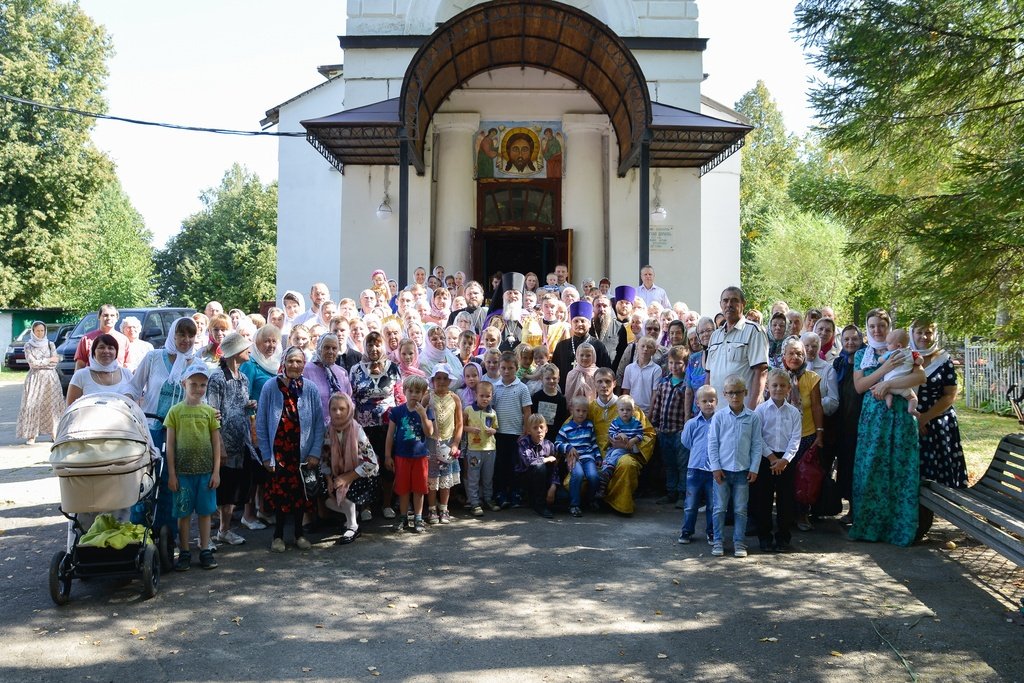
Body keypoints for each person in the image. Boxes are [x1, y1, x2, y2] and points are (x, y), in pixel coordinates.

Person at [849, 308, 925, 547]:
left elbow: (919, 378)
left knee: (900, 469)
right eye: (871, 326)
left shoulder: (905, 351)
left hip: (901, 417)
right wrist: (882, 371)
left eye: (881, 326)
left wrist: (888, 384)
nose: (876, 330)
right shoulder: (863, 354)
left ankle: (898, 529)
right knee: (872, 467)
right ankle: (869, 527)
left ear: (889, 328)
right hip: (873, 420)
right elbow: (860, 386)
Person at [257, 346, 326, 552]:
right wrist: (266, 456)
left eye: (299, 362)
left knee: (300, 495)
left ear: (304, 364)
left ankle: (298, 534)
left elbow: (318, 425)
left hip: (302, 453)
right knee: (280, 495)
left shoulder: (310, 388)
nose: (294, 365)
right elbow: (261, 424)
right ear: (284, 362)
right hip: (279, 452)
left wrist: (315, 452)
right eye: (291, 361)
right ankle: (277, 536)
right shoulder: (270, 386)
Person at [165, 364, 222, 571]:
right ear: (184, 383)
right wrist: (172, 473)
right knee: (183, 513)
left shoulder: (209, 413)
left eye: (203, 385)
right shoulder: (175, 412)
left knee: (206, 512)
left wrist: (216, 472)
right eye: (193, 384)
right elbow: (170, 445)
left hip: (206, 472)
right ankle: (185, 552)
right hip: (182, 473)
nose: (198, 388)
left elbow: (216, 443)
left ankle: (205, 549)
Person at [206, 332, 255, 547]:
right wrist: (220, 446)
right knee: (220, 490)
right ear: (235, 352)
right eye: (246, 348)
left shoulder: (242, 377)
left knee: (234, 489)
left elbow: (237, 405)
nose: (250, 351)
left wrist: (248, 405)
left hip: (240, 442)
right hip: (224, 442)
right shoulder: (217, 378)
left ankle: (225, 530)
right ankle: (211, 534)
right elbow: (213, 412)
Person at [350, 331, 405, 519]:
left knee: (387, 463)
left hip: (388, 425)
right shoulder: (356, 369)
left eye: (377, 344)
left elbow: (399, 397)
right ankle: (365, 506)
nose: (374, 349)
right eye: (370, 345)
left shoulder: (393, 368)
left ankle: (387, 504)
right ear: (365, 347)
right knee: (366, 463)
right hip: (364, 426)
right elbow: (352, 398)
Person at [707, 374, 762, 558]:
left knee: (740, 509)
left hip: (743, 471)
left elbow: (756, 445)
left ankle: (739, 542)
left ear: (745, 392)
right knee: (720, 508)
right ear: (724, 394)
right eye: (730, 393)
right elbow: (713, 443)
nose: (735, 396)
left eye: (738, 392)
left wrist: (754, 467)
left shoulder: (753, 417)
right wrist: (715, 467)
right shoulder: (719, 417)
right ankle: (718, 541)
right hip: (722, 471)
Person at [588, 368, 655, 515]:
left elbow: (649, 433)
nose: (604, 385)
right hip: (594, 453)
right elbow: (572, 428)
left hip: (625, 453)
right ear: (594, 384)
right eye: (599, 381)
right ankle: (590, 501)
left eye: (607, 381)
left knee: (627, 464)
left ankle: (620, 504)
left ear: (614, 383)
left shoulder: (628, 406)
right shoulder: (588, 408)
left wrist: (631, 445)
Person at [911, 319, 968, 489]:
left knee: (938, 478)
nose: (924, 336)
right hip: (910, 420)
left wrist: (925, 418)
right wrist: (914, 418)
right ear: (912, 334)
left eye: (928, 332)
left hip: (938, 424)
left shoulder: (943, 359)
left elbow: (950, 394)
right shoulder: (905, 357)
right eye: (919, 332)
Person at [753, 368, 803, 552]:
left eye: (782, 386)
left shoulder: (794, 413)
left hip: (786, 461)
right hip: (766, 459)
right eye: (774, 385)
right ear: (767, 387)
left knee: (786, 500)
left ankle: (783, 537)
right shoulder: (761, 410)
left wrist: (785, 460)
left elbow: (796, 438)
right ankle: (764, 537)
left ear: (789, 388)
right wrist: (772, 457)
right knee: (763, 499)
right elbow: (757, 437)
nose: (778, 389)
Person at [779, 337, 826, 531]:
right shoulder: (777, 376)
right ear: (784, 356)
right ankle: (785, 515)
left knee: (803, 477)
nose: (795, 357)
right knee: (785, 478)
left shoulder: (811, 378)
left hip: (805, 434)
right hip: (781, 435)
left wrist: (819, 433)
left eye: (799, 353)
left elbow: (816, 406)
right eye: (791, 353)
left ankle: (802, 515)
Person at [322, 393, 379, 545]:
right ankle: (352, 514)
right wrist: (328, 479)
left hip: (359, 474)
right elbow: (325, 457)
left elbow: (372, 462)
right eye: (334, 409)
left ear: (349, 410)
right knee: (325, 497)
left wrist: (347, 477)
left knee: (345, 490)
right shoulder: (328, 430)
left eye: (342, 409)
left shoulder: (357, 430)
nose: (338, 413)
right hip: (337, 473)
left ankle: (353, 525)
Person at [385, 375, 434, 533]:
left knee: (419, 489)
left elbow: (429, 432)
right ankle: (403, 517)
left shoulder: (426, 411)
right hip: (401, 456)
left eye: (417, 391)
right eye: (410, 391)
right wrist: (387, 455)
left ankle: (418, 518)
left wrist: (423, 415)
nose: (414, 394)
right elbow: (390, 435)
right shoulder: (397, 411)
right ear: (404, 391)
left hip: (420, 457)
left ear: (423, 393)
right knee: (403, 489)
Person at [705, 287, 768, 411]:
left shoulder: (754, 331)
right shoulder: (715, 336)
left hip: (743, 411)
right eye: (725, 301)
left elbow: (761, 371)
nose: (729, 304)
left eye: (734, 300)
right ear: (721, 304)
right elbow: (709, 374)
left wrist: (751, 410)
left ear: (743, 304)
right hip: (718, 412)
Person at [831, 325, 864, 524]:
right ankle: (849, 508)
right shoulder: (839, 363)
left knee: (858, 465)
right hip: (842, 421)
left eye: (854, 339)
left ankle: (857, 510)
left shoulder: (867, 361)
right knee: (845, 465)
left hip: (861, 421)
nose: (850, 343)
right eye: (846, 339)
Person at [649, 346, 689, 506]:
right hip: (664, 430)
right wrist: (655, 423)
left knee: (682, 464)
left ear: (685, 364)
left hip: (679, 431)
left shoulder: (686, 385)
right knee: (669, 463)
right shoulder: (664, 383)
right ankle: (671, 492)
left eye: (678, 363)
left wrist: (686, 427)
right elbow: (658, 404)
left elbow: (687, 408)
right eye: (671, 363)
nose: (674, 366)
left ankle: (682, 494)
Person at [492, 351, 533, 507]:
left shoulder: (522, 388)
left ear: (516, 368)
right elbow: (492, 409)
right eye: (503, 368)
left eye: (510, 368)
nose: (506, 371)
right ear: (499, 369)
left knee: (515, 465)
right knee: (501, 464)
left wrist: (526, 429)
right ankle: (501, 493)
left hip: (516, 433)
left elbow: (527, 410)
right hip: (499, 433)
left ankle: (515, 492)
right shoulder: (495, 387)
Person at [677, 385, 718, 545]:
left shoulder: (719, 422)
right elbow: (686, 442)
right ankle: (687, 531)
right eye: (704, 401)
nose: (708, 404)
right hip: (694, 469)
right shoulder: (692, 423)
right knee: (691, 504)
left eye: (711, 401)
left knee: (713, 505)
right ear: (697, 403)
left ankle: (712, 532)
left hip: (713, 470)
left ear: (717, 401)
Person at [426, 364, 463, 525]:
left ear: (450, 380)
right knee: (432, 478)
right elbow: (423, 420)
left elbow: (460, 423)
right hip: (431, 443)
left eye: (445, 378)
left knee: (445, 477)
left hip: (448, 442)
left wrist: (455, 443)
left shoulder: (454, 397)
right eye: (438, 378)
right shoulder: (428, 397)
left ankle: (444, 508)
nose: (441, 382)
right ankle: (432, 508)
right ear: (433, 380)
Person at [16, 321, 63, 445]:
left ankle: (54, 433)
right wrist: (48, 360)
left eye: (42, 330)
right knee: (33, 404)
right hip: (35, 378)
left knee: (51, 405)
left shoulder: (50, 344)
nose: (40, 333)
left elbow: (55, 361)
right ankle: (31, 435)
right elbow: (32, 363)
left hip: (50, 378)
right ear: (33, 331)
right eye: (38, 331)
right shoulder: (28, 346)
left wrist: (44, 362)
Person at [552, 301, 612, 393]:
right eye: (576, 321)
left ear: (589, 324)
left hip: (592, 394)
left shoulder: (598, 346)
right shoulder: (561, 346)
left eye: (583, 321)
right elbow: (555, 371)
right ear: (571, 323)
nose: (579, 324)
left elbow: (605, 372)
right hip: (565, 392)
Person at [557, 396, 601, 517]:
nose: (581, 414)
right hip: (574, 459)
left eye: (584, 411)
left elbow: (593, 443)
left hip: (588, 457)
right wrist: (568, 448)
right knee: (578, 475)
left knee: (594, 477)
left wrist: (597, 457)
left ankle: (590, 499)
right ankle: (574, 505)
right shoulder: (566, 428)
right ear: (572, 410)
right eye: (578, 410)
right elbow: (557, 444)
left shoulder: (589, 425)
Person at [66, 334, 134, 406]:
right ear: (93, 352)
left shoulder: (126, 374)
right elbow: (71, 408)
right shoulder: (81, 375)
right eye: (101, 347)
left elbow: (135, 406)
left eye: (110, 348)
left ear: (116, 353)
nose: (106, 351)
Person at [599, 396, 646, 498]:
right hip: (615, 447)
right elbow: (611, 434)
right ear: (618, 411)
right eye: (622, 410)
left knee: (615, 454)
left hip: (628, 450)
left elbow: (640, 434)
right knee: (608, 456)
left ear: (633, 411)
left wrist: (634, 439)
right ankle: (603, 482)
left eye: (628, 410)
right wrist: (619, 435)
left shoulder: (636, 423)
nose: (625, 412)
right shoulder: (615, 423)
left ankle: (607, 471)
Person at [463, 380, 498, 515]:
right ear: (476, 395)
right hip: (474, 451)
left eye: (487, 396)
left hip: (490, 450)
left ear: (491, 397)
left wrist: (493, 431)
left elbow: (495, 428)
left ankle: (488, 499)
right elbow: (462, 426)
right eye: (482, 395)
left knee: (488, 477)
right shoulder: (468, 410)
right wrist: (470, 429)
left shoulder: (492, 412)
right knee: (474, 477)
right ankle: (474, 502)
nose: (484, 399)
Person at [303, 334, 353, 426]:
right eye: (326, 347)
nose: (330, 351)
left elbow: (349, 400)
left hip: (340, 429)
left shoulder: (342, 372)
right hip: (315, 428)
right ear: (319, 348)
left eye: (334, 348)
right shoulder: (305, 370)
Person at [516, 414, 559, 517]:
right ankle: (540, 505)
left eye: (541, 427)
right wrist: (546, 459)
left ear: (546, 429)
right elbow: (528, 462)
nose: (539, 430)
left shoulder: (550, 445)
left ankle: (544, 496)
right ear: (529, 431)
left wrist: (553, 486)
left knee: (561, 496)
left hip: (545, 480)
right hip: (526, 479)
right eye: (535, 428)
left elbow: (555, 469)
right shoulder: (523, 442)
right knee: (540, 467)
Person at [74, 304, 129, 370]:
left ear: (117, 318)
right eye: (105, 315)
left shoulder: (124, 340)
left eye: (112, 315)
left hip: (117, 378)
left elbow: (127, 364)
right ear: (99, 317)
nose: (109, 318)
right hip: (93, 378)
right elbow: (80, 365)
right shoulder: (86, 339)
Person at [878, 329, 920, 414]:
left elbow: (880, 360)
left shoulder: (891, 353)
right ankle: (911, 409)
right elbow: (919, 361)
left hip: (887, 385)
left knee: (884, 389)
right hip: (903, 386)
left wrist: (882, 356)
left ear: (898, 345)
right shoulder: (912, 353)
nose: (887, 345)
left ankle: (888, 397)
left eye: (889, 343)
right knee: (912, 398)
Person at [621, 336, 661, 414]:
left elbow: (654, 394)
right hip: (631, 410)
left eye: (649, 347)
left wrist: (650, 413)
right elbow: (626, 391)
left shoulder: (656, 369)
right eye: (642, 346)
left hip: (647, 411)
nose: (645, 349)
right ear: (637, 348)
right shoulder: (629, 368)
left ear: (654, 351)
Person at [684, 317, 715, 420]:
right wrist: (687, 419)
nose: (705, 334)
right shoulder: (693, 359)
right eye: (701, 332)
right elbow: (688, 391)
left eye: (708, 330)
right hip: (697, 415)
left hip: (717, 414)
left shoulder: (722, 355)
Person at [531, 363, 568, 439]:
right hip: (538, 435)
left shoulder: (561, 399)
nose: (551, 381)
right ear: (541, 379)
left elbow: (562, 420)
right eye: (547, 378)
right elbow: (532, 416)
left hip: (554, 436)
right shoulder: (537, 397)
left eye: (554, 378)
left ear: (558, 379)